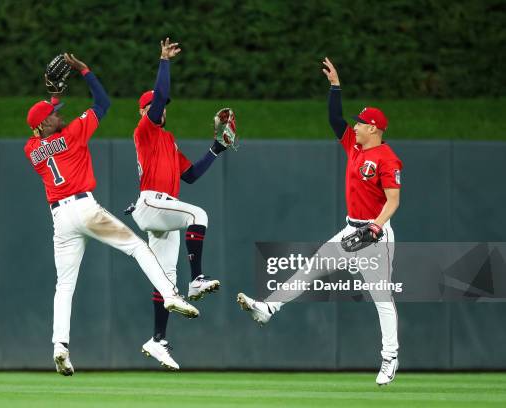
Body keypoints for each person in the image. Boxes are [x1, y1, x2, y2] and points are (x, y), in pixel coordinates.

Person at [24, 53, 198, 377]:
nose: (60, 116)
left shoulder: (31, 150)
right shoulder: (73, 134)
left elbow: (43, 127)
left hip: (60, 220)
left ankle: (59, 346)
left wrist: (54, 96)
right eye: (55, 115)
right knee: (138, 247)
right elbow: (103, 102)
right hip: (85, 209)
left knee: (64, 285)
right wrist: (85, 71)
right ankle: (170, 294)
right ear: (47, 124)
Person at [236, 57, 403, 386]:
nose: (354, 125)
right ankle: (268, 309)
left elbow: (394, 200)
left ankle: (390, 358)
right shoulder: (354, 147)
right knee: (310, 268)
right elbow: (334, 118)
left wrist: (377, 226)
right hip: (351, 227)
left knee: (381, 297)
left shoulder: (387, 157)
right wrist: (335, 86)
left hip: (375, 233)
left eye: (361, 122)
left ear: (374, 128)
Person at [130, 38, 228, 370]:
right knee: (198, 214)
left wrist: (216, 149)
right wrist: (164, 62)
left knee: (166, 281)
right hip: (153, 203)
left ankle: (157, 340)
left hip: (163, 210)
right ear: (144, 111)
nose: (161, 108)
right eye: (155, 105)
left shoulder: (168, 141)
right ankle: (197, 277)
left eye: (162, 105)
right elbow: (156, 100)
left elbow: (191, 175)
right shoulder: (144, 130)